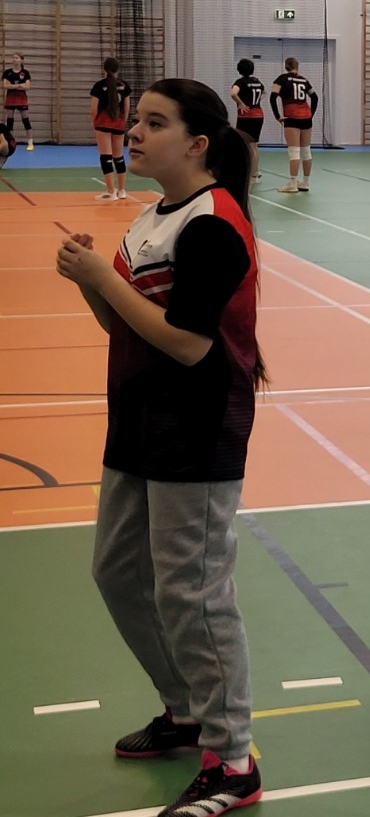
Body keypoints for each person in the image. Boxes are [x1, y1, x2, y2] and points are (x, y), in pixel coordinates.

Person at [54, 78, 266, 817]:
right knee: (117, 572)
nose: (134, 132)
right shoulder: (151, 218)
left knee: (193, 593)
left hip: (197, 426)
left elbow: (187, 344)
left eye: (153, 123)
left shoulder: (213, 224)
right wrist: (90, 282)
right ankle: (186, 709)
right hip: (137, 422)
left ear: (197, 143)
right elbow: (127, 322)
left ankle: (233, 759)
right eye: (135, 121)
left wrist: (101, 282)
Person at [269, 57, 317, 194]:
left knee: (294, 151)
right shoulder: (304, 80)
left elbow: (273, 97)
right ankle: (305, 182)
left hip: (292, 116)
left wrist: (277, 116)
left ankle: (292, 183)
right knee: (306, 151)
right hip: (306, 117)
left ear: (286, 66)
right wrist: (311, 114)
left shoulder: (281, 79)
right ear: (297, 66)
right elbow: (315, 97)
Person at [91, 57, 133, 200]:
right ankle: (122, 190)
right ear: (117, 70)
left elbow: (93, 109)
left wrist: (94, 124)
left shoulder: (99, 86)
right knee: (119, 157)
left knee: (106, 157)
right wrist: (122, 122)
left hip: (103, 124)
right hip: (118, 124)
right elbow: (127, 108)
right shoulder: (124, 85)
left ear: (104, 69)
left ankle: (110, 191)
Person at [229, 59, 265, 183]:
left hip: (246, 116)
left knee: (246, 145)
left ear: (239, 69)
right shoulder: (258, 82)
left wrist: (241, 104)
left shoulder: (240, 82)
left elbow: (233, 93)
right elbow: (264, 93)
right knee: (254, 145)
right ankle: (255, 172)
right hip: (259, 115)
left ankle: (250, 174)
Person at [3, 51, 33, 150]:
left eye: (17, 58)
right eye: (13, 58)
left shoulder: (25, 73)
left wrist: (13, 86)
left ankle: (30, 143)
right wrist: (19, 85)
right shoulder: (7, 73)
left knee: (26, 120)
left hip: (21, 99)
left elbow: (27, 86)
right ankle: (11, 142)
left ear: (21, 60)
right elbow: (5, 85)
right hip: (10, 99)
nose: (14, 60)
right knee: (10, 122)